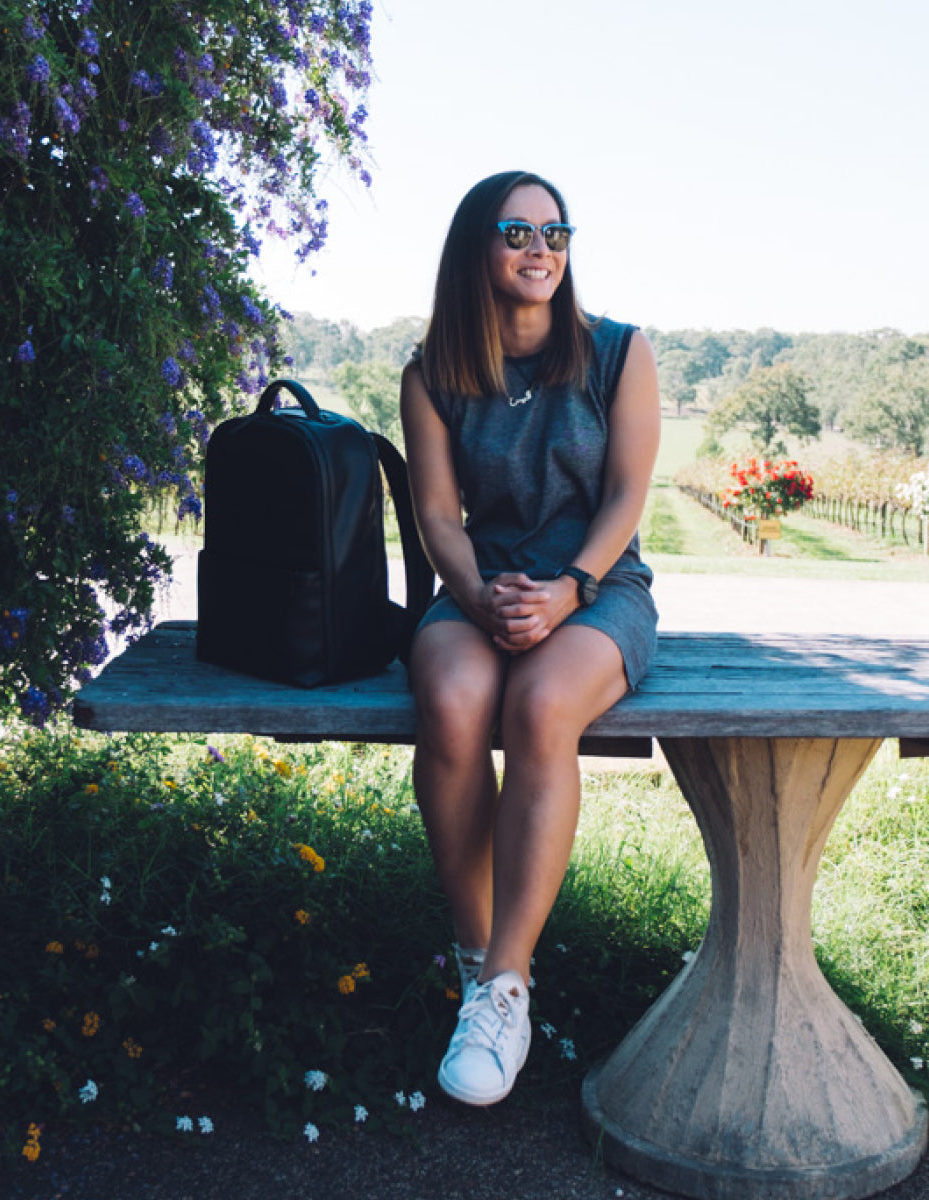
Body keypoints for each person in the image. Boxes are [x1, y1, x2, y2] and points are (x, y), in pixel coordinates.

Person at [399, 170, 661, 1107]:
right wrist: (478, 597)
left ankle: (511, 982)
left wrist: (569, 590)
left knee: (543, 704)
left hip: (597, 585)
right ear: (478, 246)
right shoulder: (432, 372)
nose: (541, 248)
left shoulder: (617, 354)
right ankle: (479, 969)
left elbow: (627, 498)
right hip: (484, 583)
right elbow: (436, 516)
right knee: (457, 698)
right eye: (516, 233)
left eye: (555, 232)